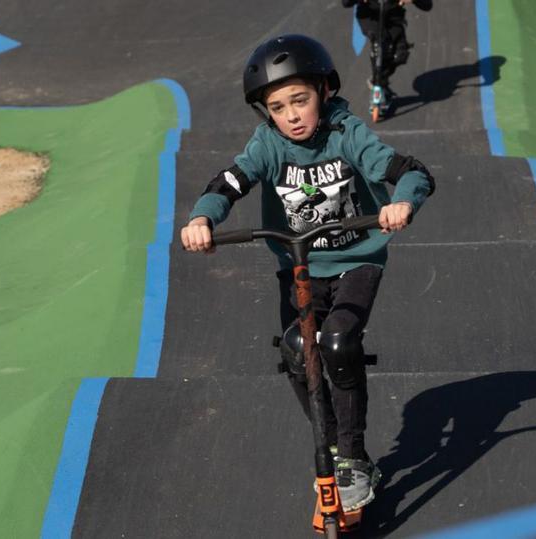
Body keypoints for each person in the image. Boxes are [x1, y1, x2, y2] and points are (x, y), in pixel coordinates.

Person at [179, 35, 434, 512]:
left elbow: (410, 171)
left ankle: (355, 459)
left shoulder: (346, 131)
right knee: (299, 348)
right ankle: (334, 447)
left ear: (324, 92)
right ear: (266, 113)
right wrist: (202, 219)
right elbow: (229, 182)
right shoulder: (267, 145)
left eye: (300, 100)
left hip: (358, 256)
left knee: (337, 341)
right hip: (298, 265)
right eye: (278, 107)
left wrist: (402, 201)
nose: (292, 115)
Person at [343, 0, 434, 100]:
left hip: (393, 17)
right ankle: (378, 84)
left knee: (400, 55)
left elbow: (427, 5)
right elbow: (345, 2)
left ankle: (379, 81)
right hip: (369, 15)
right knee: (381, 45)